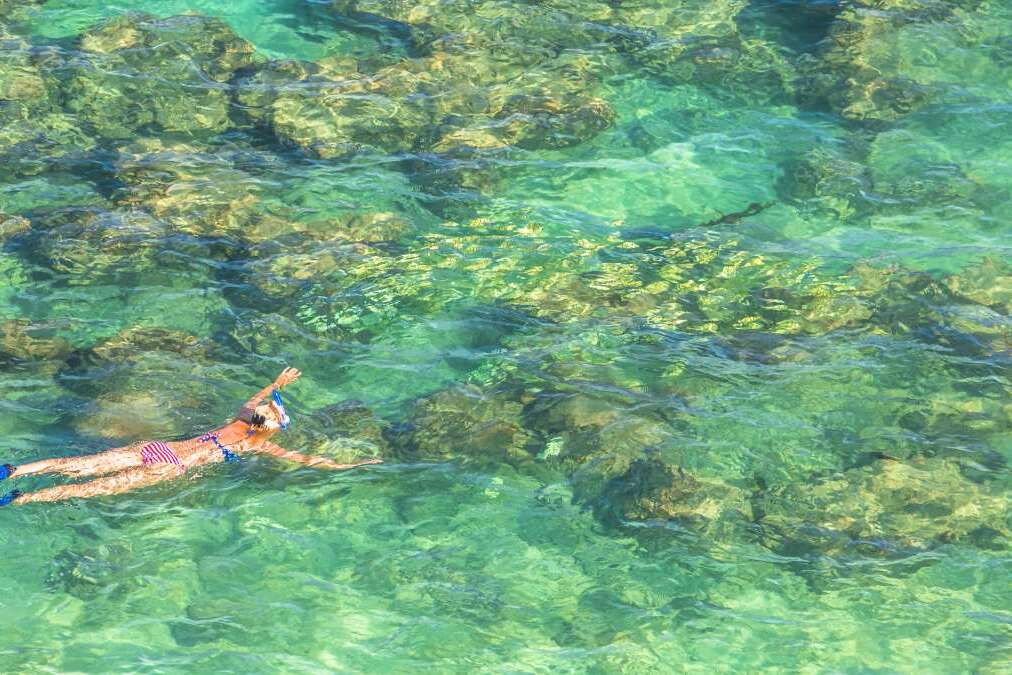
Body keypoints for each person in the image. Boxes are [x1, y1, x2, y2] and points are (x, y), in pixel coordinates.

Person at [0, 367, 380, 505]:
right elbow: (312, 461)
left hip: (159, 448)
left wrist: (277, 384)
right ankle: (20, 500)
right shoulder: (260, 445)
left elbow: (254, 400)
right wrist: (356, 463)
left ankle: (13, 470)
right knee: (86, 490)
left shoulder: (239, 422)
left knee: (74, 466)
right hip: (172, 465)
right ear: (273, 429)